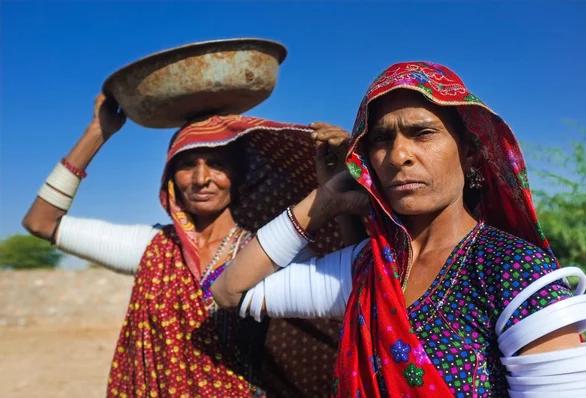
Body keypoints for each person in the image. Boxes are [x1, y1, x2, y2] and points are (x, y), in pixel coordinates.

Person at [211, 62, 586, 397]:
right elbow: (229, 290)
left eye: (422, 133)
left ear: (468, 152)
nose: (398, 156)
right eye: (381, 139)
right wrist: (325, 199)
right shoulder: (369, 269)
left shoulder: (513, 271)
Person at [22, 94, 349, 397]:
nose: (201, 178)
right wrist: (98, 132)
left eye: (216, 163)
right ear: (170, 178)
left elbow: (357, 280)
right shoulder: (154, 247)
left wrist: (339, 178)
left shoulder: (269, 252)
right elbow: (41, 223)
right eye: (187, 164)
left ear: (238, 176)